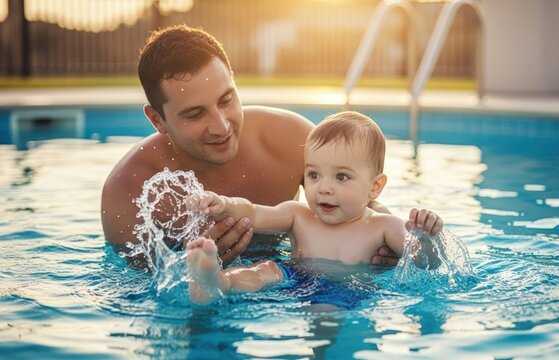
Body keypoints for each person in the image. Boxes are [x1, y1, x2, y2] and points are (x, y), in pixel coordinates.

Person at [100, 24, 403, 266]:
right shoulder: (129, 191)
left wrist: (385, 249)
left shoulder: (290, 138)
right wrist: (188, 265)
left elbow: (363, 202)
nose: (221, 126)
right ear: (158, 120)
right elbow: (137, 290)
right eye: (195, 114)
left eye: (226, 100)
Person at [186, 111, 444, 304]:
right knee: (264, 270)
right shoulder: (298, 215)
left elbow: (424, 264)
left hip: (347, 289)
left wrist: (428, 238)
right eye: (313, 175)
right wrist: (224, 203)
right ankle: (217, 282)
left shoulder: (384, 226)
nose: (323, 188)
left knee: (326, 315)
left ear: (374, 187)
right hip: (293, 276)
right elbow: (254, 212)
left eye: (341, 177)